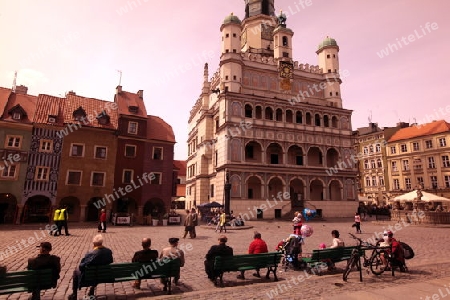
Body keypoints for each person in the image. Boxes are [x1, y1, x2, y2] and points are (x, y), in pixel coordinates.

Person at [68, 234, 113, 300]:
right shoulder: (108, 251)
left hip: (92, 275)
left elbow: (81, 266)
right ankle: (91, 290)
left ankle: (74, 294)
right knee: (97, 272)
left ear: (94, 244)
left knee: (75, 272)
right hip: (103, 275)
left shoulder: (91, 253)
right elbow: (110, 261)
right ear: (101, 242)